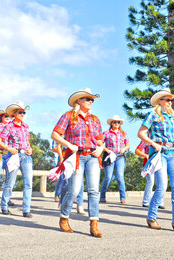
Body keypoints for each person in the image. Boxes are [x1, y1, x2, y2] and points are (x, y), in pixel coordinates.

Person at [51, 88, 104, 238]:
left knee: (93, 191)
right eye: (87, 99)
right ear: (79, 101)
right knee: (74, 190)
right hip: (76, 157)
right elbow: (54, 134)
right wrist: (68, 145)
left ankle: (94, 223)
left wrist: (101, 148)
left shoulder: (95, 119)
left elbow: (100, 140)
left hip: (93, 156)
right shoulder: (68, 116)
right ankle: (64, 217)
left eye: (92, 99)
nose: (90, 102)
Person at [137, 88, 174, 233]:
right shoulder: (152, 115)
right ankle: (151, 217)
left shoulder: (173, 117)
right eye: (167, 100)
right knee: (162, 186)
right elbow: (141, 133)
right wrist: (153, 144)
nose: (170, 103)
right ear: (160, 101)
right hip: (160, 153)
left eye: (171, 100)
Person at [0, 101, 34, 218]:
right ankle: (4, 206)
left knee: (28, 183)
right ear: (14, 113)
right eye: (20, 112)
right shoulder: (9, 126)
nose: (22, 114)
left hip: (26, 156)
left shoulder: (26, 127)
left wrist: (30, 149)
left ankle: (26, 209)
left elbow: (27, 142)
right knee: (10, 182)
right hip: (13, 156)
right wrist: (9, 149)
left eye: (24, 112)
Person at [100, 115, 130, 204]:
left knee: (120, 176)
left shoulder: (123, 133)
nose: (116, 123)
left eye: (118, 122)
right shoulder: (106, 133)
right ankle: (102, 195)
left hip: (120, 157)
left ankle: (123, 197)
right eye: (115, 122)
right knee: (108, 176)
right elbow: (100, 144)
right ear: (111, 123)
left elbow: (128, 144)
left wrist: (124, 149)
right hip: (109, 156)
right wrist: (107, 150)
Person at [52, 139, 85, 215]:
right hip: (66, 158)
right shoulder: (61, 134)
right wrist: (62, 157)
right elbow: (56, 147)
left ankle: (79, 205)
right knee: (66, 182)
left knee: (80, 182)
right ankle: (62, 201)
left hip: (79, 158)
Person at [135, 141, 165, 209]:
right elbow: (137, 151)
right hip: (149, 165)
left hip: (160, 164)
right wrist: (145, 155)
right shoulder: (146, 140)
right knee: (150, 182)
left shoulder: (162, 140)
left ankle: (160, 202)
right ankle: (145, 201)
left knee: (161, 183)